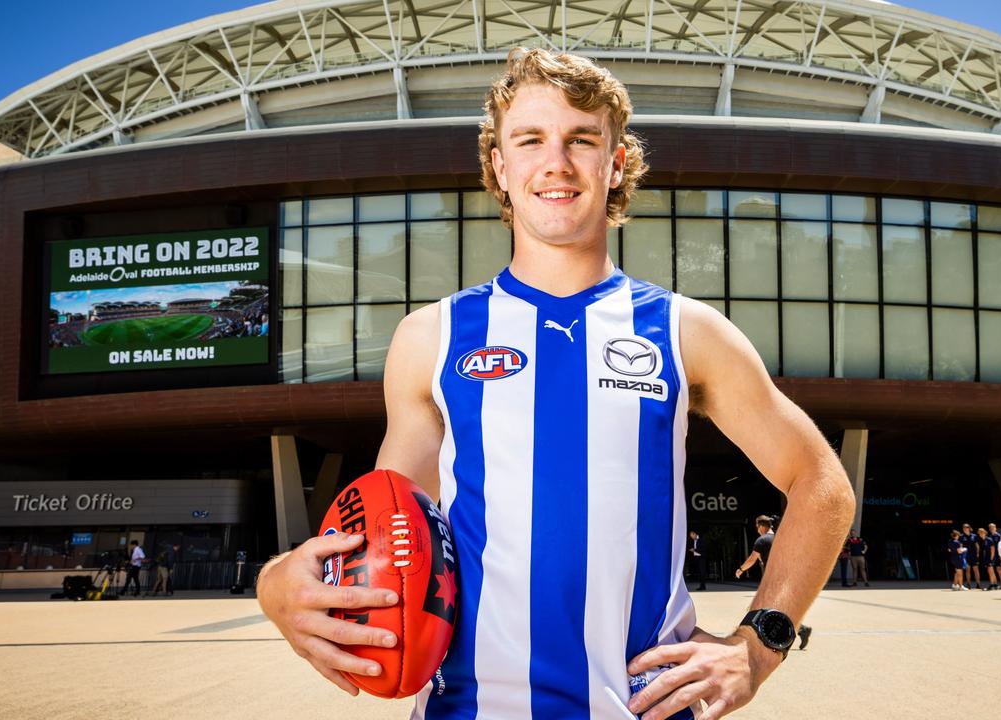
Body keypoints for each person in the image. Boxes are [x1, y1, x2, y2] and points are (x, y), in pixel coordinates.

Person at [255, 48, 854, 720]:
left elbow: (822, 484)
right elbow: (390, 532)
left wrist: (760, 643)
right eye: (531, 139)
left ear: (616, 162)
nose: (557, 163)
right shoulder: (431, 339)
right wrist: (277, 581)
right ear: (500, 168)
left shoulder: (687, 332)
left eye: (582, 140)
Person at [733, 516, 813, 651]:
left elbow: (752, 559)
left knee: (765, 608)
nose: (757, 530)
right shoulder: (780, 537)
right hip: (785, 578)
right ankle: (798, 630)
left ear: (761, 526)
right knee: (776, 609)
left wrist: (740, 570)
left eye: (757, 526)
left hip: (773, 580)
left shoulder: (762, 540)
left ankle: (797, 630)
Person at [960, 523, 981, 589]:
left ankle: (978, 584)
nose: (965, 529)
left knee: (976, 570)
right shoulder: (961, 536)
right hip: (966, 556)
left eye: (966, 528)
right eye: (964, 528)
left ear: (969, 528)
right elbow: (961, 546)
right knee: (967, 570)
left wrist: (978, 553)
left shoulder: (974, 536)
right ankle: (968, 584)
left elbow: (977, 545)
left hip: (974, 555)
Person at [988, 522, 1001, 591]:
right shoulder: (989, 537)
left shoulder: (999, 536)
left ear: (995, 528)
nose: (992, 529)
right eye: (990, 528)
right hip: (994, 556)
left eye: (993, 527)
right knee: (998, 570)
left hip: (1000, 555)